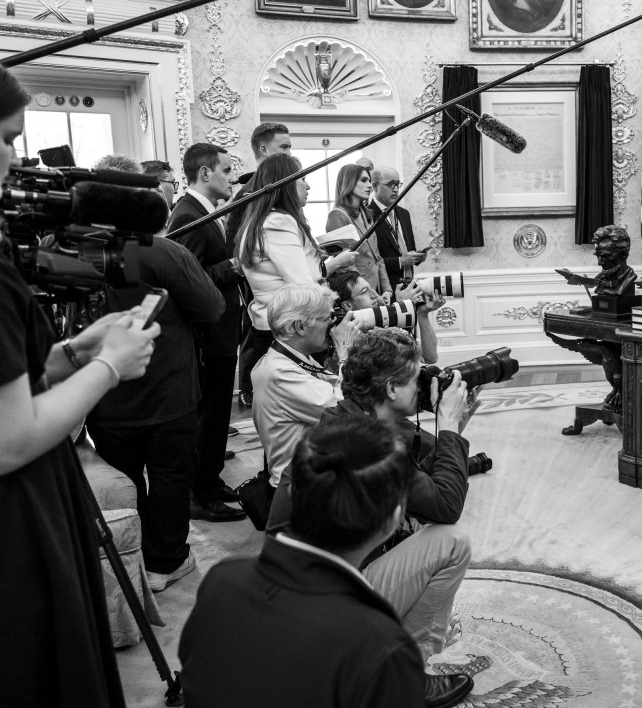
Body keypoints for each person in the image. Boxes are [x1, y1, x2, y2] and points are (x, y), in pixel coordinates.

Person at [0, 34, 158, 705]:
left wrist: (72, 354)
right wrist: (110, 368)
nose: (14, 160)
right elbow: (2, 440)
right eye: (7, 138)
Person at [179, 415, 473, 708]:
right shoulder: (378, 643)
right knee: (452, 541)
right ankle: (418, 677)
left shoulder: (220, 580)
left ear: (293, 491)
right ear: (394, 518)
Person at [268, 329, 474, 673]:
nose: (422, 387)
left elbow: (419, 483)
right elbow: (445, 505)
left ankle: (390, 641)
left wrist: (453, 435)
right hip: (323, 606)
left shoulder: (346, 419)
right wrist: (449, 430)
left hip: (291, 591)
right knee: (451, 543)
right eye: (414, 380)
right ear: (391, 389)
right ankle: (411, 669)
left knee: (415, 529)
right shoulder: (371, 444)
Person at [87, 223, 227, 587]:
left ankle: (137, 556)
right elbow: (211, 308)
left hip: (103, 390)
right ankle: (166, 561)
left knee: (124, 478)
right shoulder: (160, 250)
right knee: (170, 475)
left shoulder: (66, 249)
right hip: (165, 388)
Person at [166, 142, 247, 523]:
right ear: (205, 173)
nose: (232, 177)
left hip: (222, 331)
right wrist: (230, 269)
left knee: (217, 416)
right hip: (207, 337)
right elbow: (184, 280)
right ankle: (202, 495)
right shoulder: (187, 215)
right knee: (210, 417)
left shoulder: (205, 211)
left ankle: (211, 481)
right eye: (227, 170)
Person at [239, 153, 358, 402]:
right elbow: (301, 284)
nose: (308, 185)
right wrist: (331, 314)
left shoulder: (263, 220)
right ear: (284, 184)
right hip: (289, 328)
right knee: (313, 405)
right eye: (301, 178)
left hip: (276, 323)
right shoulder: (279, 221)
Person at [252, 283, 359, 492]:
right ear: (299, 327)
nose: (332, 325)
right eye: (326, 319)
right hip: (303, 491)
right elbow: (347, 409)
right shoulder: (280, 373)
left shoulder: (290, 359)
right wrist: (345, 353)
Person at [225, 122, 293, 409]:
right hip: (262, 285)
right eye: (284, 147)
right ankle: (251, 387)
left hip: (284, 287)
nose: (290, 152)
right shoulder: (248, 193)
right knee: (258, 339)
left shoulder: (282, 186)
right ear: (264, 150)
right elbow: (237, 239)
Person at [327, 267, 444, 364]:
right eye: (364, 291)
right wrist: (400, 309)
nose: (375, 295)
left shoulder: (380, 321)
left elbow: (430, 357)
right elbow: (397, 368)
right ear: (347, 305)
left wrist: (422, 315)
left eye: (371, 288)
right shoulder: (348, 338)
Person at [327, 163, 392, 294]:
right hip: (358, 292)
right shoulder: (337, 215)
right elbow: (345, 265)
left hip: (377, 288)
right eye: (363, 180)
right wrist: (368, 291)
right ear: (348, 182)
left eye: (369, 181)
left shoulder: (367, 213)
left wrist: (387, 290)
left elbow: (377, 257)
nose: (369, 185)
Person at [369, 165, 425, 285]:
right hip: (385, 288)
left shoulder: (404, 214)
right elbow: (369, 263)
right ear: (375, 186)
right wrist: (400, 261)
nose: (395, 189)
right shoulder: (368, 217)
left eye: (397, 184)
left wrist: (417, 257)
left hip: (409, 283)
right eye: (390, 184)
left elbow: (409, 250)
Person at [592, 225, 637, 296]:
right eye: (598, 256)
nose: (599, 263)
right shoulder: (602, 279)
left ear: (623, 254)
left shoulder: (629, 279)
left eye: (605, 256)